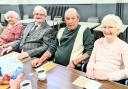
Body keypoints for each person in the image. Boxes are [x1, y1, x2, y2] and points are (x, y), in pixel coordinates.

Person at [86, 14, 128, 84]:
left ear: (118, 29)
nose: (106, 30)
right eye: (104, 27)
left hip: (111, 81)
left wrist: (108, 76)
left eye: (110, 27)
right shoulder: (98, 42)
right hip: (94, 78)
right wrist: (89, 69)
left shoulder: (124, 46)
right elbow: (92, 60)